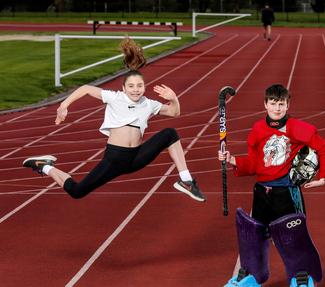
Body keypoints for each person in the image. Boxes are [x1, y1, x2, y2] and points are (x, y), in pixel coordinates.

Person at [22, 37, 205, 202]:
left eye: (139, 86)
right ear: (123, 88)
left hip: (136, 158)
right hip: (115, 159)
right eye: (131, 86)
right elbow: (86, 88)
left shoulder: (148, 104)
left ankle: (186, 180)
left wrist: (174, 98)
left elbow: (174, 113)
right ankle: (44, 166)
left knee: (170, 133)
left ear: (144, 86)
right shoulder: (115, 97)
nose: (136, 90)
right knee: (77, 192)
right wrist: (64, 105)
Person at [216, 84, 325, 287]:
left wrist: (323, 177)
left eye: (281, 104)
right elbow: (253, 164)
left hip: (287, 191)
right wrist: (232, 160)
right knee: (253, 236)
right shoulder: (258, 129)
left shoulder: (298, 128)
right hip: (262, 191)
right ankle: (250, 278)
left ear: (288, 105)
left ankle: (302, 279)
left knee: (294, 237)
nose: (277, 108)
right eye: (273, 103)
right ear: (265, 104)